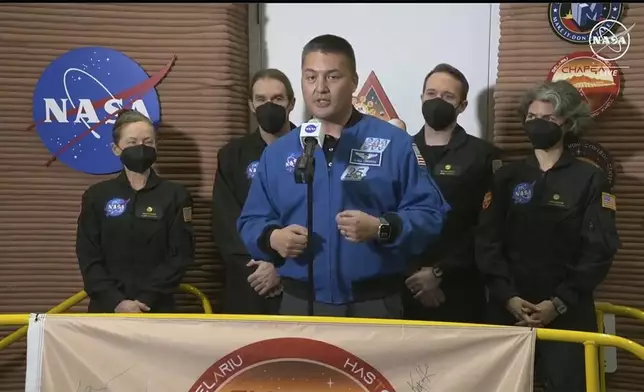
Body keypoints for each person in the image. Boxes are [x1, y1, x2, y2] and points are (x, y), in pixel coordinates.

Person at [237, 34, 450, 318]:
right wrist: (272, 238)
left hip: (375, 302)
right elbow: (251, 220)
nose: (320, 89)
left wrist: (381, 228)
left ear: (353, 82)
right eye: (311, 77)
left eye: (332, 77)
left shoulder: (393, 143)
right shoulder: (278, 153)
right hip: (299, 303)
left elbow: (430, 213)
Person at [475, 80, 620, 392]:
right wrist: (507, 296)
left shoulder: (589, 179)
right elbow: (487, 242)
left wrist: (559, 302)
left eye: (547, 119)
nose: (536, 125)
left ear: (567, 123)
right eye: (531, 117)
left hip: (567, 313)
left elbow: (599, 250)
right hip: (507, 312)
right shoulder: (506, 177)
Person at [403, 64, 502, 324]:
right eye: (431, 94)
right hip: (403, 288)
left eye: (448, 97)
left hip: (460, 290)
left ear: (462, 105)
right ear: (422, 97)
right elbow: (386, 216)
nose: (437, 101)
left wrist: (438, 273)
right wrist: (414, 276)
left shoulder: (483, 156)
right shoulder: (399, 152)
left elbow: (489, 227)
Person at [76, 109, 195, 313]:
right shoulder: (97, 196)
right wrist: (116, 302)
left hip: (156, 308)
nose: (141, 148)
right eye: (132, 142)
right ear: (116, 148)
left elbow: (180, 255)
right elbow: (88, 256)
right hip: (107, 309)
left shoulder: (175, 195)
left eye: (148, 142)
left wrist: (146, 299)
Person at [212, 68, 297, 314]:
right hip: (250, 280)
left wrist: (281, 269)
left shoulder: (314, 150)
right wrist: (261, 267)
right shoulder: (231, 155)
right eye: (261, 99)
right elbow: (225, 221)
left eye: (277, 99)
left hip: (300, 283)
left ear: (291, 103)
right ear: (251, 104)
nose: (268, 105)